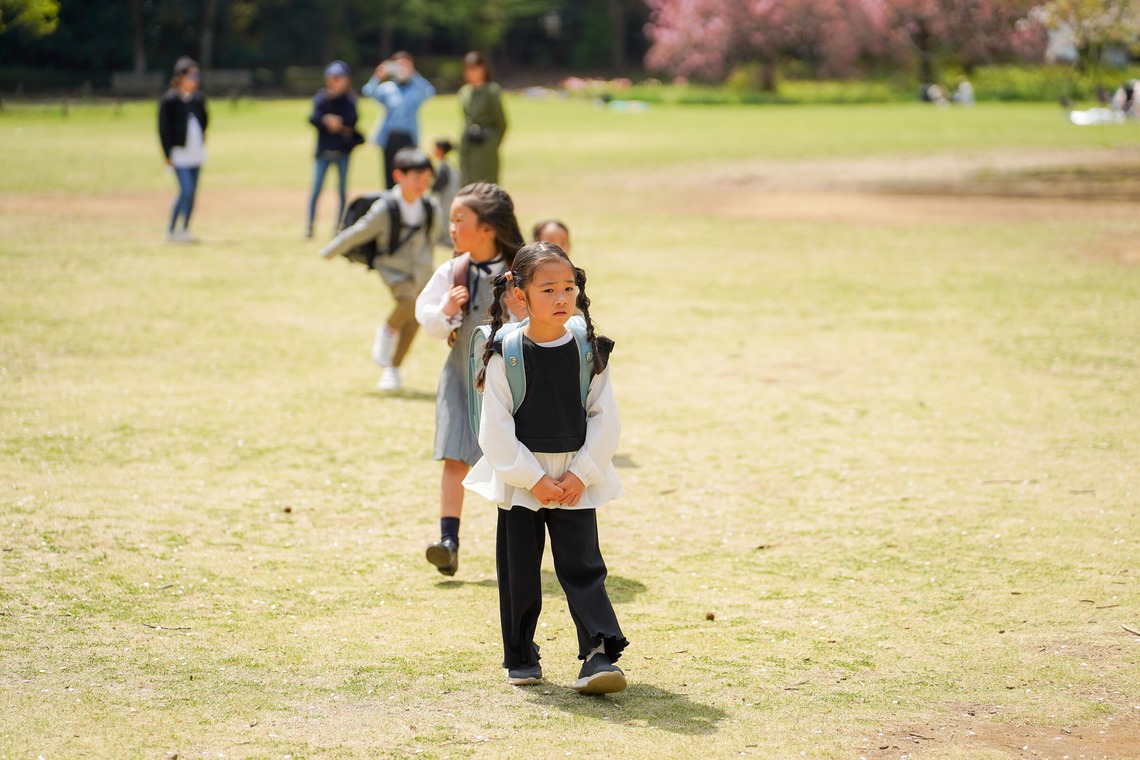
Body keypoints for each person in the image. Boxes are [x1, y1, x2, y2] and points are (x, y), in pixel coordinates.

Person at [464, 242, 628, 694]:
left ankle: (598, 655)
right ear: (518, 293)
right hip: (522, 483)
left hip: (576, 479)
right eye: (548, 288)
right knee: (518, 571)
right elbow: (493, 429)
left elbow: (605, 418)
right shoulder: (503, 352)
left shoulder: (587, 349)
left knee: (583, 567)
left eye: (569, 287)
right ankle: (520, 654)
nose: (561, 298)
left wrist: (580, 475)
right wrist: (533, 479)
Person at [414, 183, 526, 575]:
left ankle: (517, 547)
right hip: (460, 378)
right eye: (451, 219)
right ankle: (449, 541)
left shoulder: (520, 273)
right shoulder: (453, 270)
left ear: (488, 229)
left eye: (460, 219)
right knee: (454, 457)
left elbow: (547, 324)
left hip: (511, 386)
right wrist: (445, 310)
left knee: (513, 463)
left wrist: (518, 312)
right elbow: (425, 316)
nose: (453, 228)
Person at [320, 148, 440, 391]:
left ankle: (393, 369)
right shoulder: (386, 208)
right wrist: (330, 251)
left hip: (421, 271)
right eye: (417, 178)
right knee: (407, 303)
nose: (422, 184)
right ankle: (388, 330)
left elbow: (432, 239)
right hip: (394, 269)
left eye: (426, 179)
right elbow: (359, 230)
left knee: (416, 317)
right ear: (399, 175)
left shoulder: (430, 207)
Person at [363, 51, 435, 189]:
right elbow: (368, 92)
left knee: (409, 174)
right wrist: (378, 76)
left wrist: (413, 74)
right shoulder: (388, 88)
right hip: (390, 137)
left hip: (408, 137)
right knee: (390, 175)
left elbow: (429, 92)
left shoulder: (415, 88)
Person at [306, 60, 362, 239]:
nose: (336, 81)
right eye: (333, 77)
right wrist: (326, 121)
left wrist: (338, 125)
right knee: (316, 190)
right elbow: (313, 118)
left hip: (342, 152)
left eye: (340, 77)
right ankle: (309, 226)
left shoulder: (350, 100)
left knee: (342, 191)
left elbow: (352, 121)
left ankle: (339, 226)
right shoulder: (321, 98)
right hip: (323, 151)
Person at [158, 56, 208, 243]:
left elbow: (205, 120)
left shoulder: (198, 99)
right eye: (192, 75)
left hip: (196, 152)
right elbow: (163, 129)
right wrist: (167, 154)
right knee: (185, 190)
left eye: (197, 75)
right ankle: (171, 230)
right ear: (180, 77)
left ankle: (185, 229)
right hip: (179, 153)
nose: (196, 79)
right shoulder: (169, 100)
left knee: (193, 192)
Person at [458, 52, 507, 186]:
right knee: (467, 182)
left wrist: (491, 140)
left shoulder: (491, 91)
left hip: (485, 144)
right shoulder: (465, 92)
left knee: (486, 186)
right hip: (469, 142)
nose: (472, 74)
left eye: (475, 69)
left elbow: (501, 122)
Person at [431, 139, 459, 247]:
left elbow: (442, 181)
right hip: (449, 195)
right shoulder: (447, 164)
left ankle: (445, 238)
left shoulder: (444, 165)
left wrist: (433, 189)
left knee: (443, 215)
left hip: (446, 195)